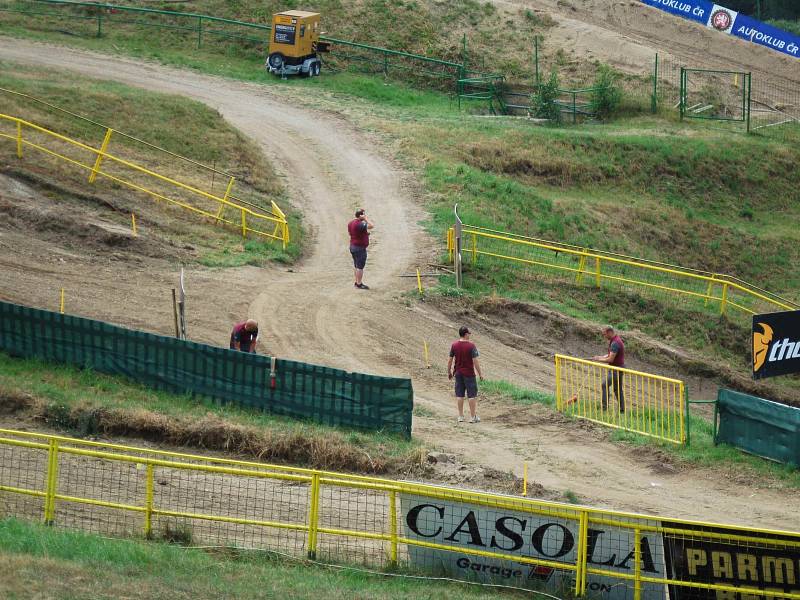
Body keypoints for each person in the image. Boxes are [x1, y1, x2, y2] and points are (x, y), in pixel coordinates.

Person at [447, 326, 484, 423]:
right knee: (472, 395)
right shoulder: (471, 346)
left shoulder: (454, 345)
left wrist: (449, 372)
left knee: (460, 395)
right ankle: (472, 417)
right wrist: (480, 374)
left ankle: (460, 416)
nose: (469, 335)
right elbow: (475, 362)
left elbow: (450, 360)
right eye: (469, 333)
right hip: (469, 374)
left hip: (458, 373)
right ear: (466, 334)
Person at [592, 325, 625, 412]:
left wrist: (599, 360)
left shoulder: (615, 343)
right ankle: (622, 410)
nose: (604, 336)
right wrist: (600, 357)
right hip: (619, 368)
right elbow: (611, 354)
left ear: (610, 332)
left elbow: (610, 359)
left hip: (616, 369)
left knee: (604, 385)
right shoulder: (616, 339)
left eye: (605, 334)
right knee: (617, 389)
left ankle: (604, 408)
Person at [348, 208, 374, 290]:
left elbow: (351, 233)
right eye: (364, 214)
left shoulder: (350, 223)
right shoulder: (359, 224)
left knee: (356, 265)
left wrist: (364, 234)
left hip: (353, 246)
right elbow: (371, 225)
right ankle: (359, 284)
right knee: (360, 267)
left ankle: (357, 282)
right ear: (360, 215)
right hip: (359, 248)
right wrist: (366, 219)